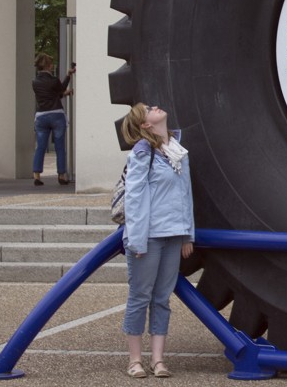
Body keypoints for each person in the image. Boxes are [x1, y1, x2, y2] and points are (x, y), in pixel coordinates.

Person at [120, 103, 195, 379]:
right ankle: (135, 360)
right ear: (145, 125)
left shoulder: (177, 150)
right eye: (148, 109)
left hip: (174, 235)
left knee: (162, 298)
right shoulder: (142, 152)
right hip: (148, 237)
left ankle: (159, 360)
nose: (154, 106)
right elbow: (135, 198)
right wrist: (137, 241)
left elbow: (186, 194)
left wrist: (188, 234)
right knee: (140, 296)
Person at [31, 53, 75, 186]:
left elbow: (50, 95)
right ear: (49, 66)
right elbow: (60, 89)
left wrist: (61, 94)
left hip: (41, 117)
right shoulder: (54, 80)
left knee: (40, 147)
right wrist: (69, 75)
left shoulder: (35, 82)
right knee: (60, 147)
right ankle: (61, 175)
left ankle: (37, 176)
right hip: (56, 115)